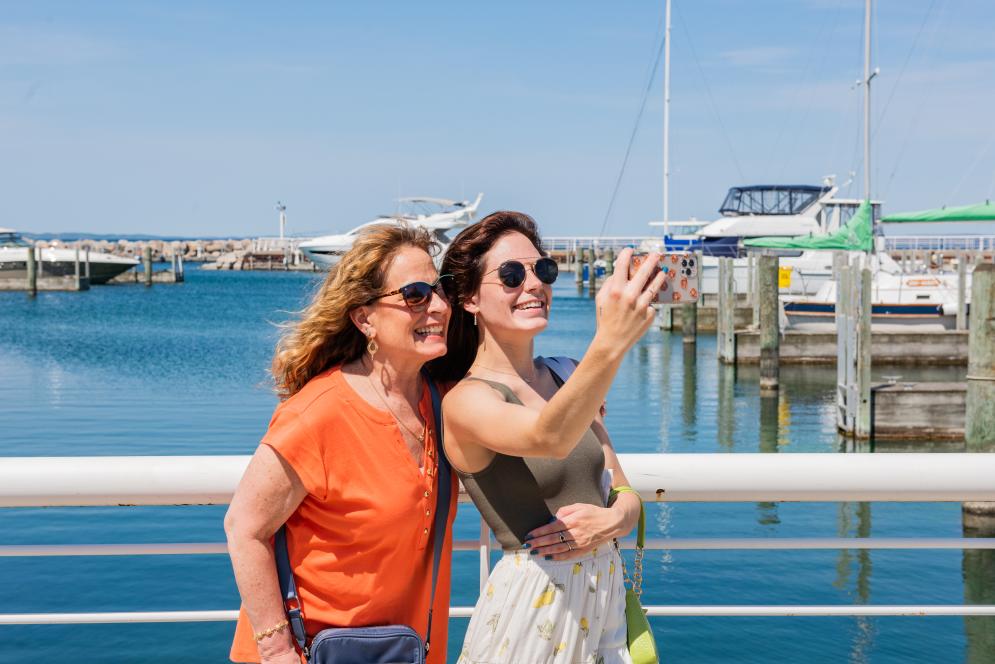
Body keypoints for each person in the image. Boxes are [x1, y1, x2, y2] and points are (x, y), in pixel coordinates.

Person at [430, 211, 665, 663]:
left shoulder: (566, 374)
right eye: (512, 275)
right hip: (535, 607)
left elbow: (620, 487)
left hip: (604, 599)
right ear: (469, 298)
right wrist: (611, 339)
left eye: (544, 269)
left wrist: (615, 520)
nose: (534, 284)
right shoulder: (466, 402)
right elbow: (548, 436)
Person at [224, 224, 457, 664]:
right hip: (311, 653)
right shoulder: (320, 414)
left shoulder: (441, 402)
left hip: (406, 652)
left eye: (440, 291)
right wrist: (276, 650)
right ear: (364, 318)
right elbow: (244, 527)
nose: (439, 307)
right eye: (415, 295)